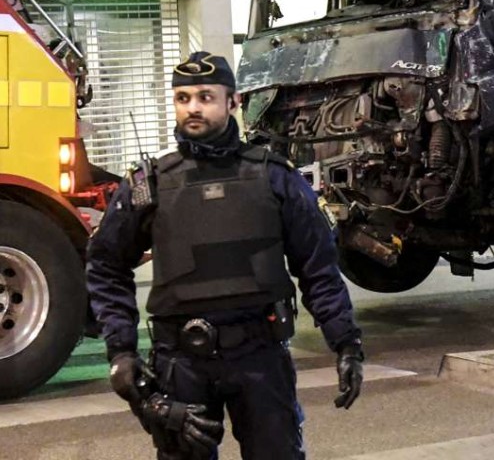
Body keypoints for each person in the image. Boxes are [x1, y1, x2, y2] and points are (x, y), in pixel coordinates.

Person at [87, 51, 363, 460]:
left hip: (260, 357)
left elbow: (318, 267)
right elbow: (106, 265)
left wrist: (346, 344)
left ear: (233, 102)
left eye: (205, 96)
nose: (193, 107)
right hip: (181, 364)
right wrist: (121, 351)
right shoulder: (150, 185)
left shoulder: (274, 177)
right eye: (183, 98)